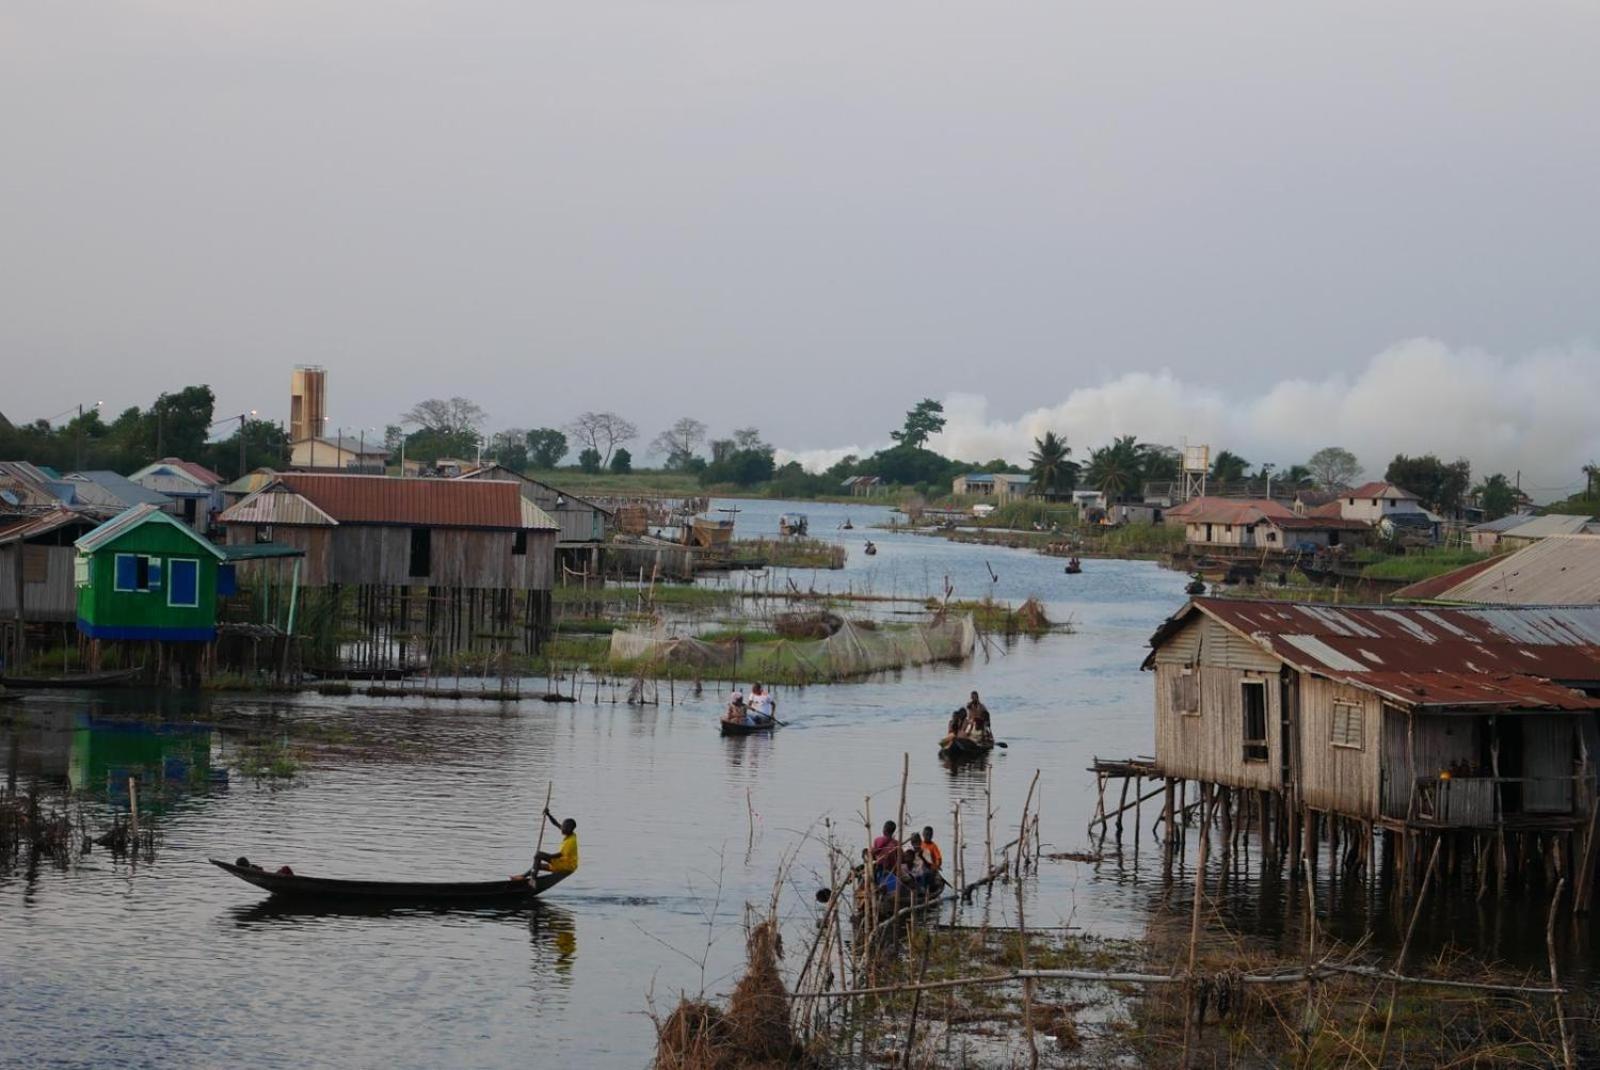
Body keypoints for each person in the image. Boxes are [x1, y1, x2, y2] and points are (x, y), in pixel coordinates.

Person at [533, 809, 579, 875]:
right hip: (563, 862)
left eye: (564, 828)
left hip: (568, 866)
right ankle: (523, 876)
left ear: (570, 829)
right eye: (562, 826)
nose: (562, 829)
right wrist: (548, 815)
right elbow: (556, 823)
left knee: (538, 855)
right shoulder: (569, 833)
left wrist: (544, 857)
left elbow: (557, 855)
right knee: (537, 865)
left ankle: (533, 879)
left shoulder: (571, 842)